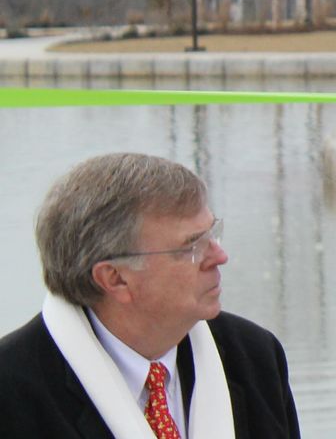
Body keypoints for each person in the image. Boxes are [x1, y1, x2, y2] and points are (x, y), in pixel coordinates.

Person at [0, 152, 302, 438]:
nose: (219, 256)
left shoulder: (253, 356)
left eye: (213, 233)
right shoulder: (12, 390)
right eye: (193, 246)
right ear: (115, 278)